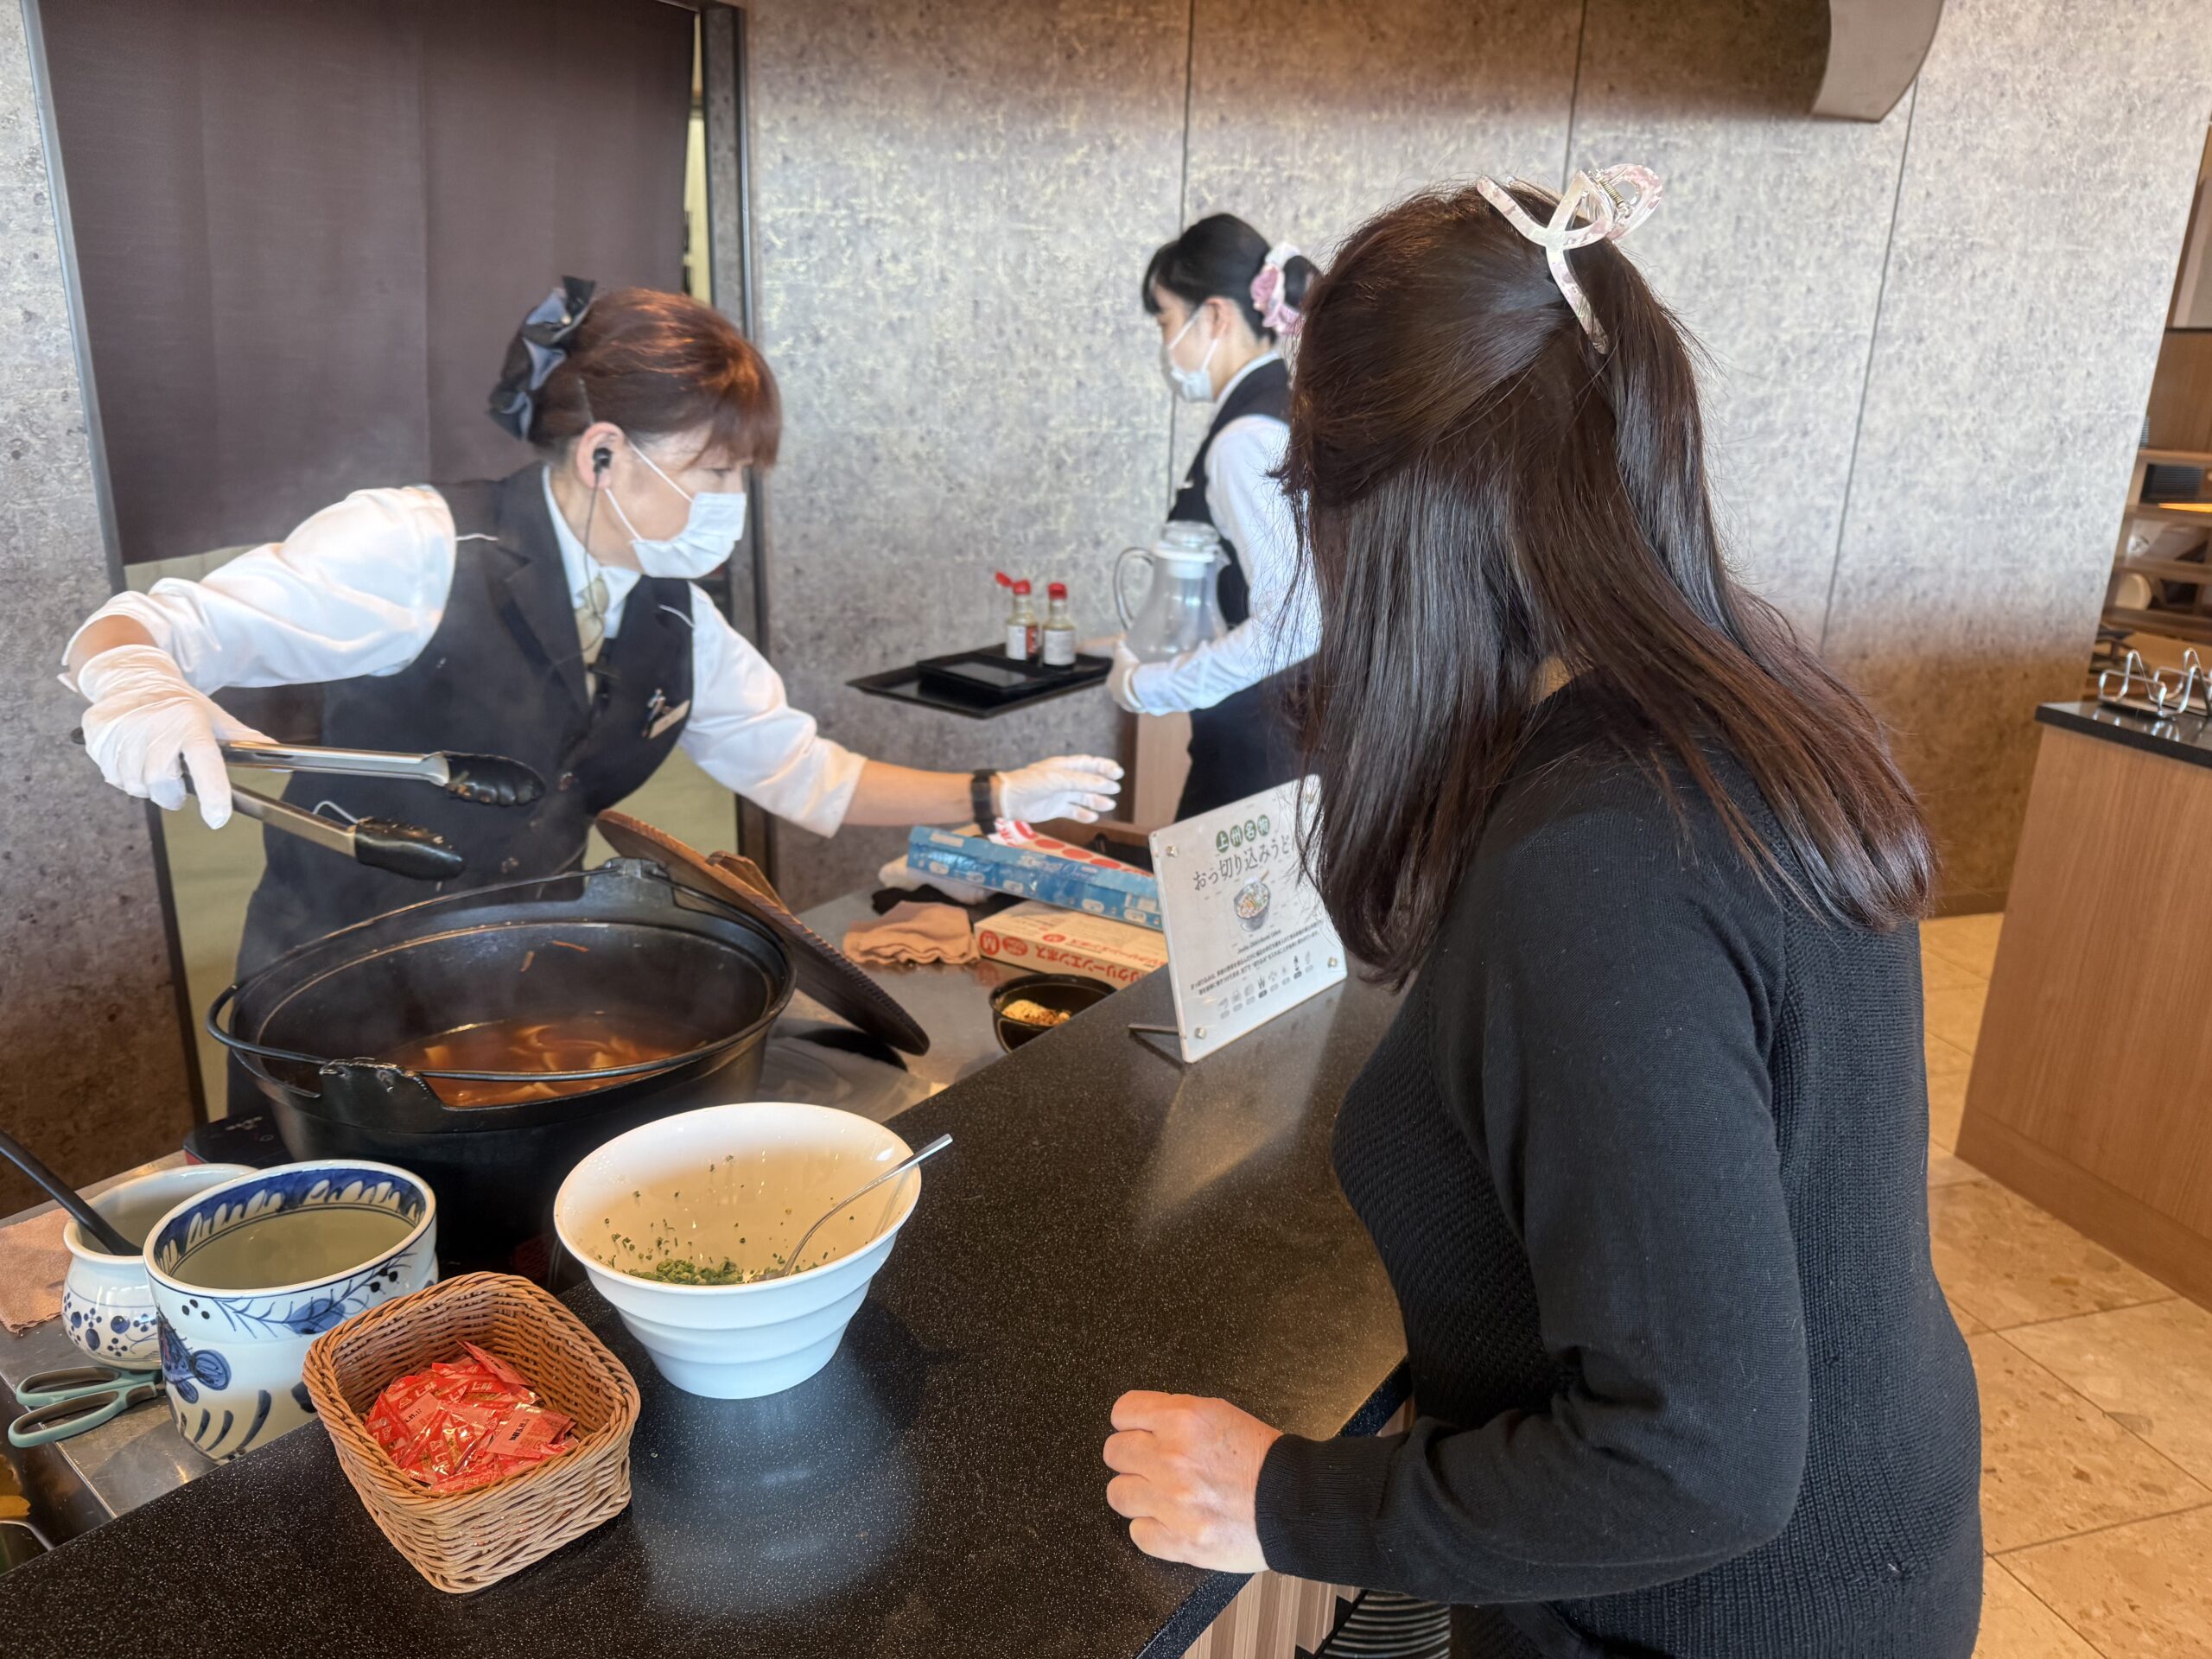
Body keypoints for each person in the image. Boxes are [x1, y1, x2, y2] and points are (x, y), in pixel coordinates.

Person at [1102, 171, 1983, 1656]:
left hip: (1708, 1618)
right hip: (1880, 1545)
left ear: (1397, 521)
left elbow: (1692, 1460)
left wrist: (1283, 1498)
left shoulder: (1605, 864)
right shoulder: (1750, 709)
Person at [65, 280, 1122, 970]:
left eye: (739, 476)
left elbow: (811, 777)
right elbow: (146, 628)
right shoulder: (419, 547)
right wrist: (140, 688)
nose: (728, 502)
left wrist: (997, 795)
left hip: (526, 976)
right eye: (713, 470)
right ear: (605, 452)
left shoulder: (674, 615)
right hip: (333, 980)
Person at [1111, 215, 1320, 820]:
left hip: (1261, 758)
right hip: (1281, 747)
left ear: (1217, 316)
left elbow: (1296, 620)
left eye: (1166, 321)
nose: (1165, 344)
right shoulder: (1281, 407)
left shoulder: (1247, 438)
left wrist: (1151, 685)